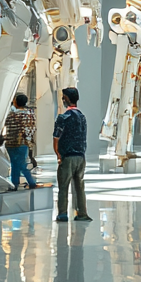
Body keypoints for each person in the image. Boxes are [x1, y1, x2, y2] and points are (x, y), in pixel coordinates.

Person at [53, 87, 92, 222]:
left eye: (63, 97)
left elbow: (56, 137)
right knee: (79, 186)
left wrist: (58, 154)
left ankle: (63, 214)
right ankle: (82, 213)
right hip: (81, 156)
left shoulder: (63, 118)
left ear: (67, 99)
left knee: (63, 186)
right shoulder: (82, 117)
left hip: (67, 156)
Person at [4, 93, 38, 189]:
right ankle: (26, 182)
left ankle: (17, 183)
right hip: (24, 143)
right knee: (21, 163)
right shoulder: (31, 115)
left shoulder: (12, 115)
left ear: (15, 102)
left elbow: (7, 128)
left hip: (11, 143)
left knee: (16, 164)